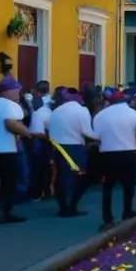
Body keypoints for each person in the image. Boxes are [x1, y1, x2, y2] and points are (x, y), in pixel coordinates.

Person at [0, 76, 41, 224]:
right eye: (17, 91)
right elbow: (11, 124)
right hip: (6, 152)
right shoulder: (10, 106)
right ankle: (6, 213)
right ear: (7, 91)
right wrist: (28, 133)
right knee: (9, 185)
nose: (19, 94)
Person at [92, 89, 136, 231]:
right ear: (125, 101)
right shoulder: (133, 114)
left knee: (107, 187)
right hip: (128, 153)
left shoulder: (100, 115)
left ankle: (107, 219)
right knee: (129, 185)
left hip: (106, 155)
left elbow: (95, 137)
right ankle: (127, 211)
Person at [49, 89, 96, 217]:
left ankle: (63, 206)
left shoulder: (56, 111)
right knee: (80, 178)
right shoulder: (82, 111)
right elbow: (87, 132)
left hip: (57, 147)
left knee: (61, 178)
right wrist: (101, 137)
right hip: (74, 148)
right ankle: (71, 207)